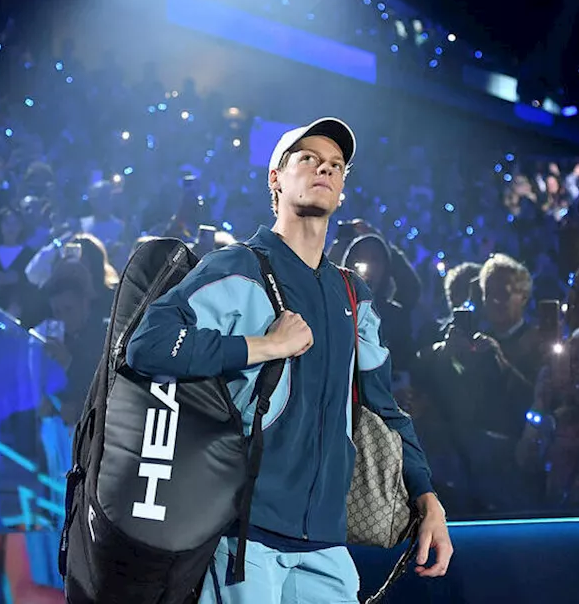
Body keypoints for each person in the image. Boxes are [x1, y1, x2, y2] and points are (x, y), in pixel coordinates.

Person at [126, 118, 452, 603]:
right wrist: (263, 346)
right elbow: (147, 345)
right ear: (275, 177)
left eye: (336, 166)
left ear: (342, 190)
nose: (325, 169)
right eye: (308, 159)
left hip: (326, 544)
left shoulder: (352, 294)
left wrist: (428, 498)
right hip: (241, 537)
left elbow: (385, 411)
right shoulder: (238, 266)